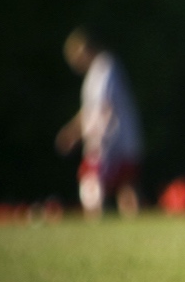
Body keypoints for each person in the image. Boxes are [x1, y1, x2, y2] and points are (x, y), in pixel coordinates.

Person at [54, 28, 143, 220]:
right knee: (124, 183)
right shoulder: (99, 71)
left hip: (111, 138)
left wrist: (78, 133)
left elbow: (101, 107)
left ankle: (96, 220)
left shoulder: (105, 68)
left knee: (96, 181)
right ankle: (127, 224)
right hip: (114, 137)